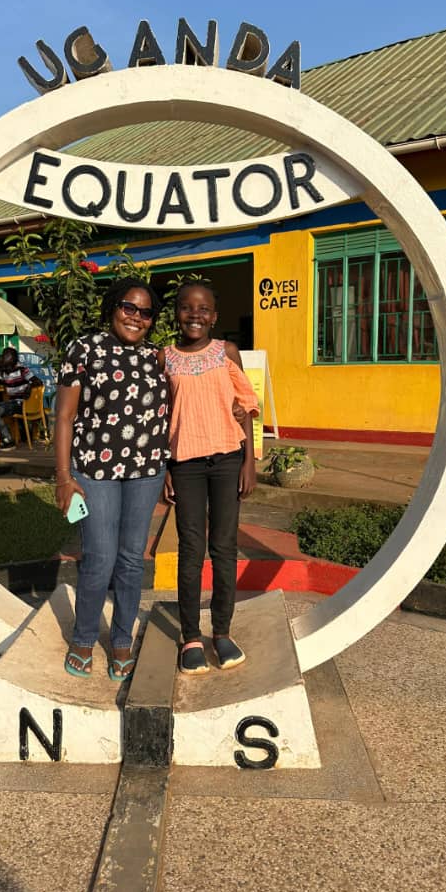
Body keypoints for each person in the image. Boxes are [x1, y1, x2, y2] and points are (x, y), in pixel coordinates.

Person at [55, 277, 169, 681]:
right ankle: (84, 638)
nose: (136, 317)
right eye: (128, 307)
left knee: (131, 560)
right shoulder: (84, 349)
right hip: (95, 470)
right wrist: (64, 476)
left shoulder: (159, 357)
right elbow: (65, 416)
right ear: (112, 308)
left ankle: (122, 639)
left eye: (145, 312)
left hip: (146, 471)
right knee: (100, 558)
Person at [161, 283, 259, 675]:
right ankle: (190, 637)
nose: (195, 315)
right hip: (184, 463)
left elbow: (245, 408)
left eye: (203, 309)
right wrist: (166, 468)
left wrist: (249, 462)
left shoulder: (226, 352)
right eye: (186, 308)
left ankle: (222, 631)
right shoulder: (163, 358)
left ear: (215, 315)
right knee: (191, 549)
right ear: (177, 314)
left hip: (227, 460)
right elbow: (160, 417)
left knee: (224, 547)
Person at [0, 346, 41, 450]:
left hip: (20, 403)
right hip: (10, 403)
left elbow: (38, 382)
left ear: (11, 358)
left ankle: (8, 440)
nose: (2, 358)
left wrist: (29, 387)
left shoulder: (22, 370)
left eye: (4, 356)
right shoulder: (4, 372)